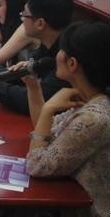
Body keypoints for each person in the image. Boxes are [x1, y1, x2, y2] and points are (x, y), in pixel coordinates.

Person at [24, 21, 109, 217]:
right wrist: (33, 86)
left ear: (72, 63)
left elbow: (36, 165)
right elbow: (45, 132)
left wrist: (48, 109)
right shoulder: (89, 99)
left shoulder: (93, 118)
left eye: (61, 50)